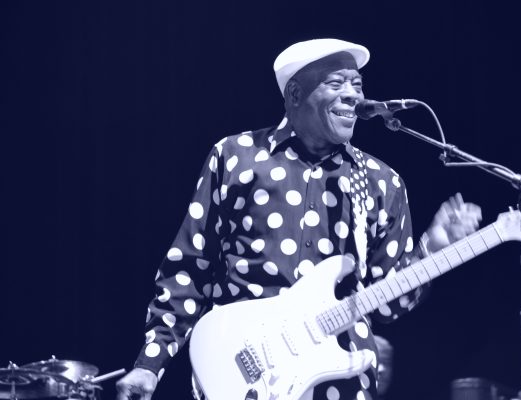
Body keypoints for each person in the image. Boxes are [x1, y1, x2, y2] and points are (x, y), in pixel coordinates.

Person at [116, 38, 482, 400]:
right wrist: (150, 364)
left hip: (341, 385)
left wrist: (432, 250)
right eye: (336, 83)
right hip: (244, 378)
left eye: (357, 85)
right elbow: (189, 269)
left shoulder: (381, 182)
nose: (352, 95)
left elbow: (387, 304)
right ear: (294, 94)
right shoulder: (237, 157)